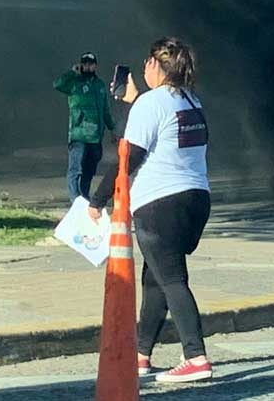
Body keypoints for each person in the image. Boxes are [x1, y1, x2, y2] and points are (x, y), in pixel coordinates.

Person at [89, 38, 212, 383]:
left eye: (148, 62)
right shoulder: (191, 100)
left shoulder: (151, 104)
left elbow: (129, 158)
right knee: (156, 278)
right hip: (196, 200)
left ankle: (196, 357)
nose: (144, 68)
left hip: (159, 205)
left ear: (157, 66)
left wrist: (98, 201)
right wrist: (136, 101)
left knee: (172, 279)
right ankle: (141, 356)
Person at [53, 52, 116, 203]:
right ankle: (75, 200)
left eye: (91, 63)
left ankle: (83, 196)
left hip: (95, 136)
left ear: (95, 65)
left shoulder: (100, 85)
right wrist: (72, 73)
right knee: (76, 169)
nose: (88, 66)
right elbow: (58, 85)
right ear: (81, 64)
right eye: (85, 63)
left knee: (90, 169)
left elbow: (105, 109)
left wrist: (112, 129)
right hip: (79, 135)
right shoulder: (74, 82)